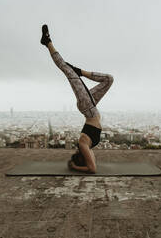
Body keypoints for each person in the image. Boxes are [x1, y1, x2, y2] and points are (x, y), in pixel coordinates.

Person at [40, 24, 114, 174]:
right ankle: (76, 70)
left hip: (88, 107)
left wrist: (74, 166)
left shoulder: (83, 145)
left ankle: (48, 43)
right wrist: (76, 167)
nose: (89, 158)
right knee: (109, 79)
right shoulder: (85, 147)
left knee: (67, 70)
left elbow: (91, 167)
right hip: (90, 106)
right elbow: (92, 168)